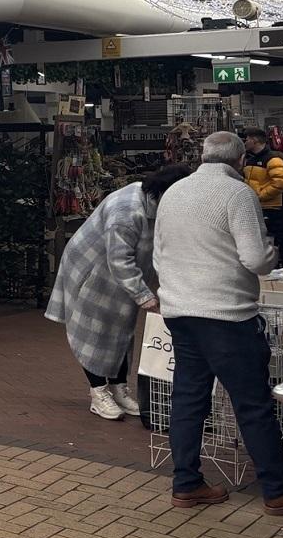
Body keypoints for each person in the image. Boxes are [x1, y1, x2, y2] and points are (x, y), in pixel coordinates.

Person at [153, 131, 283, 513]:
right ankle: (276, 491)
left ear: (204, 156)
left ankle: (186, 484)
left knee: (188, 399)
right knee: (252, 403)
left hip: (180, 312)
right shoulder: (238, 194)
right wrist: (271, 252)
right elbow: (256, 259)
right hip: (227, 315)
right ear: (240, 160)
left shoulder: (174, 193)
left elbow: (159, 256)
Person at [46, 165, 189, 420]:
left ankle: (119, 388)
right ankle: (98, 392)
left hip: (123, 275)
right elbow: (119, 259)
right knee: (96, 332)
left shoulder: (156, 204)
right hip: (92, 270)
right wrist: (144, 295)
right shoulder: (127, 210)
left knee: (123, 330)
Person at [243, 128, 283, 255]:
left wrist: (260, 195)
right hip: (257, 208)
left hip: (273, 209)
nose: (245, 142)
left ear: (254, 140)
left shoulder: (273, 159)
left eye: (247, 139)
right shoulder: (249, 160)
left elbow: (281, 182)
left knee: (279, 240)